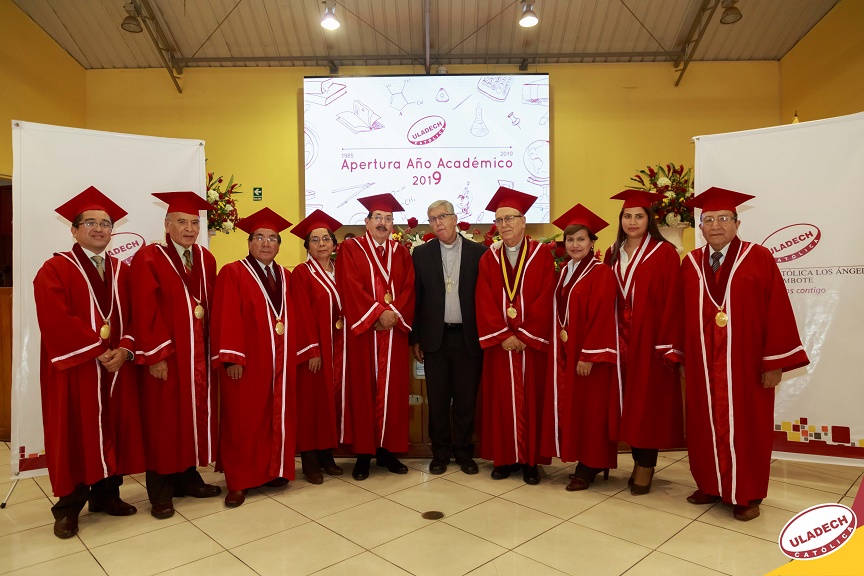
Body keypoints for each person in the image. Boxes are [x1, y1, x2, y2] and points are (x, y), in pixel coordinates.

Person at [679, 187, 809, 521]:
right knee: (703, 424)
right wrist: (680, 355)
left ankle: (746, 493)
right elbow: (677, 314)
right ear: (701, 226)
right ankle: (710, 484)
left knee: (748, 427)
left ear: (737, 224)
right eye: (708, 220)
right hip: (705, 366)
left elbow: (777, 311)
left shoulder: (759, 257)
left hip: (747, 365)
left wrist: (774, 363)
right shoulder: (691, 263)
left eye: (723, 219)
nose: (715, 225)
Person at [34, 186, 144, 538]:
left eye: (105, 223)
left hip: (114, 368)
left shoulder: (122, 270)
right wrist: (97, 350)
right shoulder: (54, 269)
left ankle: (106, 496)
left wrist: (125, 349)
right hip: (78, 369)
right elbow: (56, 318)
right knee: (74, 432)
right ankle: (68, 507)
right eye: (91, 223)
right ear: (74, 230)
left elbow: (136, 315)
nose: (99, 229)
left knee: (114, 427)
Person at [131, 191, 221, 519]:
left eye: (194, 223)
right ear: (166, 224)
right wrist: (155, 356)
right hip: (168, 356)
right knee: (164, 421)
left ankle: (187, 477)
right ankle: (161, 490)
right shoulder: (149, 257)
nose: (189, 228)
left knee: (192, 417)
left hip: (197, 355)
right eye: (181, 222)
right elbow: (144, 309)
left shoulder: (206, 259)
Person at [211, 208, 304, 506]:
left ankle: (273, 471)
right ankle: (238, 481)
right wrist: (232, 358)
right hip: (246, 362)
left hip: (280, 362)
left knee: (275, 417)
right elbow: (226, 316)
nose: (266, 243)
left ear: (279, 245)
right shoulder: (233, 272)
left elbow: (297, 318)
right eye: (260, 238)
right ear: (249, 242)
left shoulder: (286, 276)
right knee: (243, 421)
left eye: (272, 239)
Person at [604, 189, 684, 495]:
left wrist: (666, 345)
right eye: (627, 216)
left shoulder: (664, 253)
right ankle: (630, 460)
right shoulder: (613, 252)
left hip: (650, 341)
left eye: (639, 216)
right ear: (621, 220)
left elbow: (672, 301)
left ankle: (645, 465)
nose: (632, 221)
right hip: (618, 341)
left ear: (649, 219)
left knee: (647, 405)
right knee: (625, 405)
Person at [475, 187, 554, 485]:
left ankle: (530, 461)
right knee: (500, 401)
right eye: (499, 220)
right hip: (500, 345)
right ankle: (505, 458)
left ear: (523, 222)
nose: (505, 225)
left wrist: (524, 334)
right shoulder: (489, 259)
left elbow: (546, 298)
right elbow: (483, 300)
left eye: (510, 218)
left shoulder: (541, 255)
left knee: (531, 401)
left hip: (529, 345)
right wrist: (503, 335)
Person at [335, 194, 415, 480]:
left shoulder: (402, 252)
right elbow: (349, 285)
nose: (383, 223)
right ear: (366, 222)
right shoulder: (350, 248)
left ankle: (387, 450)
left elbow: (408, 288)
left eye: (388, 218)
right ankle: (363, 454)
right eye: (378, 218)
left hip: (393, 333)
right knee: (363, 390)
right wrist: (377, 314)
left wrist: (392, 313)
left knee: (392, 392)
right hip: (364, 333)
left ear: (393, 224)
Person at [541, 204, 620, 491]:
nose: (574, 245)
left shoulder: (601, 273)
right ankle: (582, 460)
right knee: (577, 407)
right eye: (570, 239)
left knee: (592, 410)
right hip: (567, 351)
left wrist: (589, 354)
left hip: (589, 356)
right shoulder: (564, 272)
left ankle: (591, 464)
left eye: (581, 239)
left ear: (592, 243)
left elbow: (603, 318)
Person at [411, 200, 487, 475]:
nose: (438, 223)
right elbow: (416, 299)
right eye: (432, 219)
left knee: (466, 400)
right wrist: (416, 339)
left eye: (442, 217)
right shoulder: (421, 254)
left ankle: (465, 453)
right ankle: (440, 453)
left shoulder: (479, 253)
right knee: (438, 399)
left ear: (455, 218)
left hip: (468, 337)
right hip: (435, 339)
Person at [288, 209, 346, 484]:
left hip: (341, 348)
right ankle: (310, 460)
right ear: (307, 246)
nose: (322, 244)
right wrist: (312, 349)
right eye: (315, 240)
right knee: (312, 405)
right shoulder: (301, 273)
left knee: (330, 404)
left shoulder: (343, 271)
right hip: (316, 350)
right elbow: (299, 313)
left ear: (334, 243)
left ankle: (327, 455)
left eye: (326, 239)